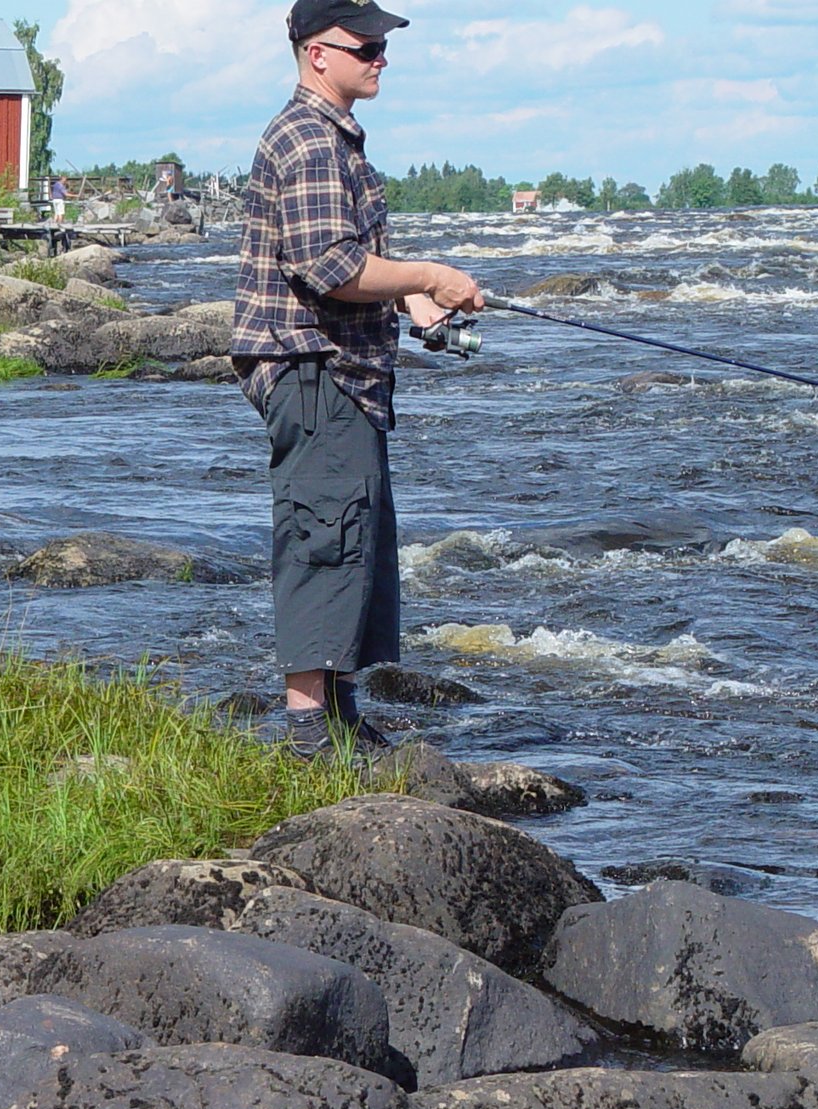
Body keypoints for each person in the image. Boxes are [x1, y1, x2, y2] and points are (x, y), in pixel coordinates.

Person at [232, 0, 485, 760]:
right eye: (366, 45)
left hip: (348, 377)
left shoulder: (338, 138)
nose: (381, 56)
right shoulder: (308, 139)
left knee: (356, 537)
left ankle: (339, 716)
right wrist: (434, 274)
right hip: (314, 372)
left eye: (382, 45)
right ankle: (309, 731)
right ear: (317, 53)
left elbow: (354, 256)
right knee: (323, 540)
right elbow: (328, 267)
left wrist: (419, 305)